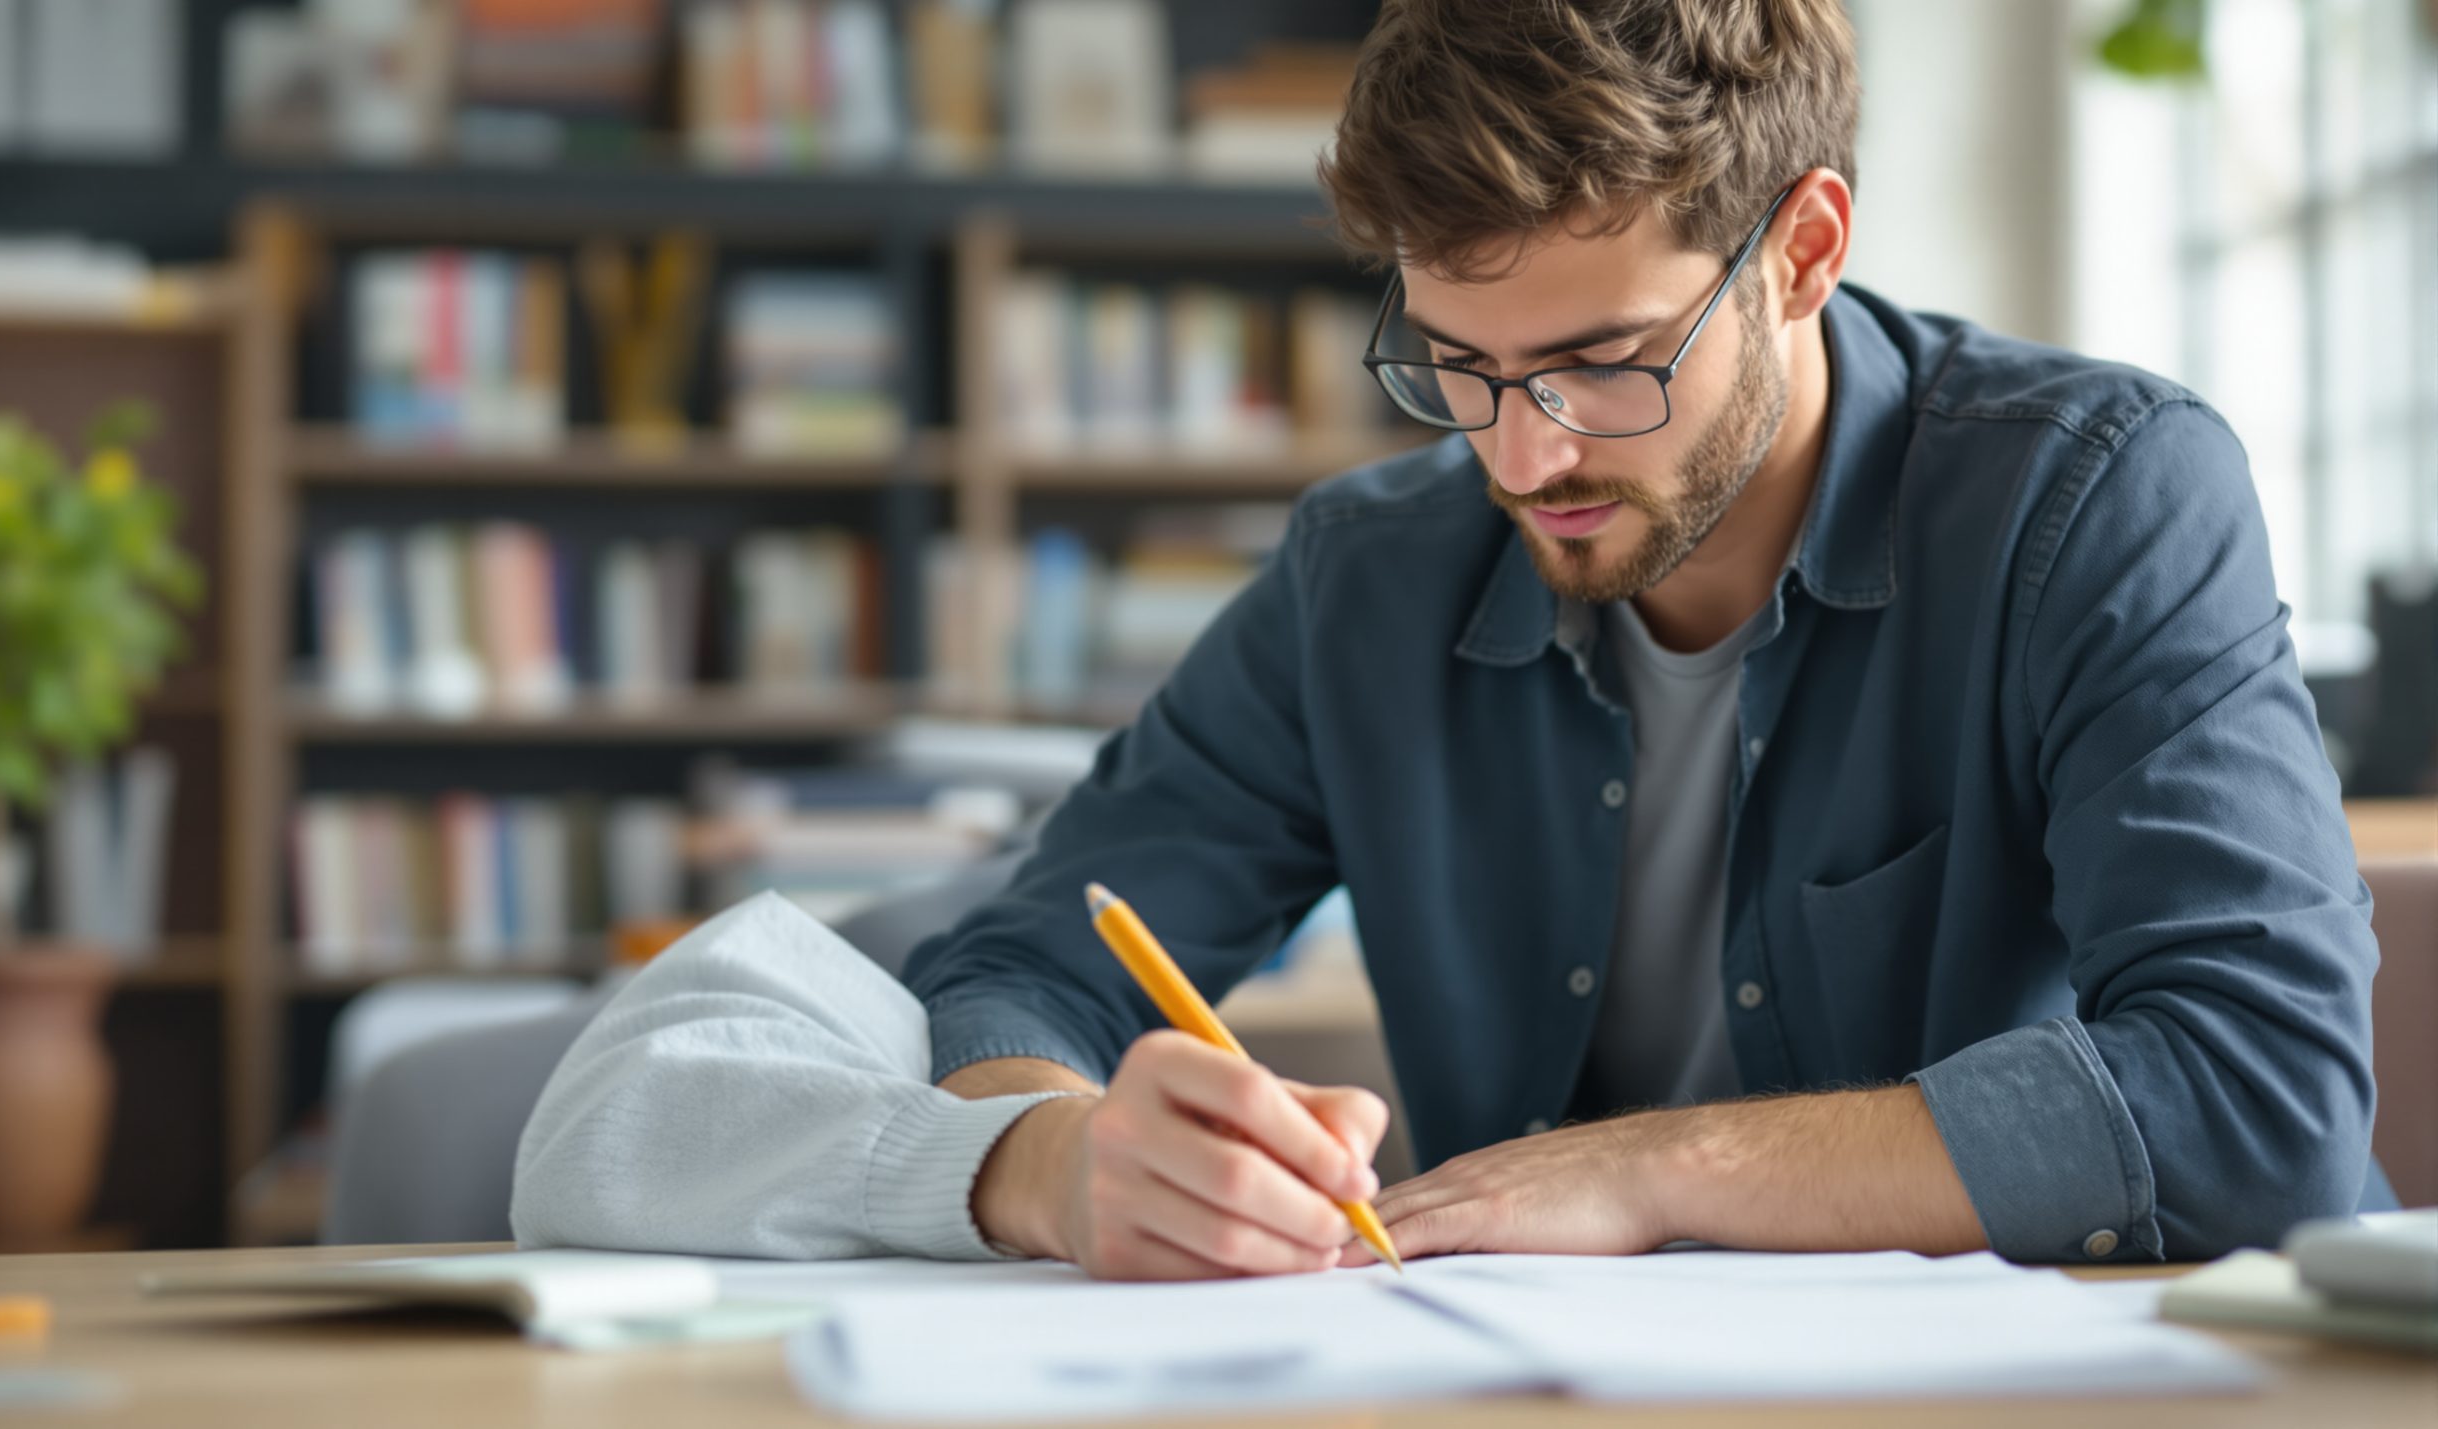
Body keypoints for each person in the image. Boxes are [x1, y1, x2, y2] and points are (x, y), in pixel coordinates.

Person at [901, 0, 2383, 1279]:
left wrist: (1648, 1168)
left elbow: (2262, 1100)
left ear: (1802, 249)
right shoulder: (1367, 576)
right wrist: (1072, 1148)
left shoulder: (2097, 495)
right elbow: (1019, 976)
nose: (1522, 462)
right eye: (1458, 367)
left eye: (1602, 364)